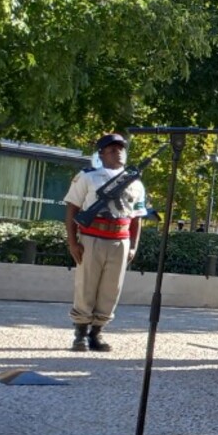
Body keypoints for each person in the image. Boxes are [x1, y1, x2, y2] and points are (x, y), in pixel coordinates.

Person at [63, 133, 147, 352]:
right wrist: (73, 242)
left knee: (112, 289)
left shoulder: (136, 182)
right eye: (112, 149)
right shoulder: (88, 176)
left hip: (120, 239)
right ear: (101, 154)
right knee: (86, 286)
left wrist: (134, 245)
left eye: (121, 149)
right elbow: (72, 207)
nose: (118, 152)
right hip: (92, 237)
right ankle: (80, 333)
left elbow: (137, 217)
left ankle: (97, 333)